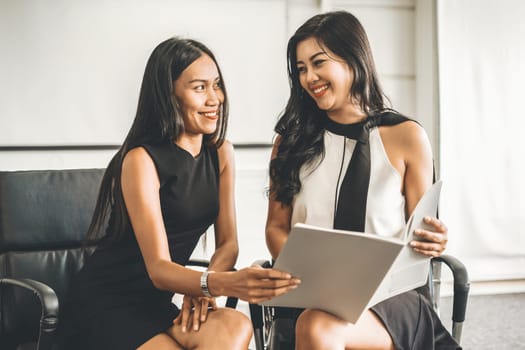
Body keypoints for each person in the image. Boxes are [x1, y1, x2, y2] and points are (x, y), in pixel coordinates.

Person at [58, 37, 300, 350]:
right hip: (108, 302)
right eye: (200, 88)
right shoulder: (140, 159)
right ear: (168, 94)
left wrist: (205, 288)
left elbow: (228, 243)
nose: (215, 98)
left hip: (159, 303)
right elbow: (158, 268)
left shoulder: (221, 153)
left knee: (234, 326)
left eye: (216, 85)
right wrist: (221, 283)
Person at [265, 11, 460, 350]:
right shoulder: (290, 142)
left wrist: (435, 239)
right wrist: (315, 279)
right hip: (312, 291)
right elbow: (275, 228)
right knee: (316, 320)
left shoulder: (407, 136)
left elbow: (423, 232)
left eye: (318, 63)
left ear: (353, 59)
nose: (309, 77)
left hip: (390, 300)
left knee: (317, 327)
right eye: (300, 69)